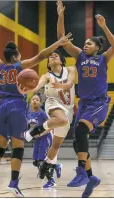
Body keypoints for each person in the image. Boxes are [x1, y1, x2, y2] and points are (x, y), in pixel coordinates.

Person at [0, 33, 72, 197]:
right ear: (15, 56)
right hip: (17, 105)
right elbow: (42, 55)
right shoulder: (20, 66)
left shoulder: (0, 66)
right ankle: (13, 183)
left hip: (1, 106)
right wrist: (57, 43)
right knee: (18, 147)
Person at [56, 0, 114, 197]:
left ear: (97, 48)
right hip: (83, 104)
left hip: (99, 103)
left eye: (90, 43)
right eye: (85, 42)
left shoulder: (103, 59)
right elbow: (61, 39)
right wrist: (60, 15)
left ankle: (82, 171)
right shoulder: (80, 56)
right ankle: (92, 177)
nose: (85, 44)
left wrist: (104, 26)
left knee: (82, 130)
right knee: (77, 141)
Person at [20, 49, 75, 180]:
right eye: (50, 57)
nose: (53, 55)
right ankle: (34, 131)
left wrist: (60, 85)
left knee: (56, 145)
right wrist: (26, 89)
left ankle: (46, 164)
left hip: (69, 108)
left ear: (62, 61)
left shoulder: (71, 69)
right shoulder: (47, 76)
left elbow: (70, 83)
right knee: (62, 120)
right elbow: (36, 87)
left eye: (56, 55)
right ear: (49, 65)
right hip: (53, 103)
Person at [27, 95, 62, 188]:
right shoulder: (29, 114)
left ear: (40, 102)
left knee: (41, 161)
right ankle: (56, 166)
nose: (35, 101)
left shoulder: (43, 114)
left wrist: (41, 134)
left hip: (45, 138)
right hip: (37, 139)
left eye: (37, 100)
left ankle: (51, 181)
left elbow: (51, 126)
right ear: (30, 102)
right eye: (33, 99)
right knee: (36, 162)